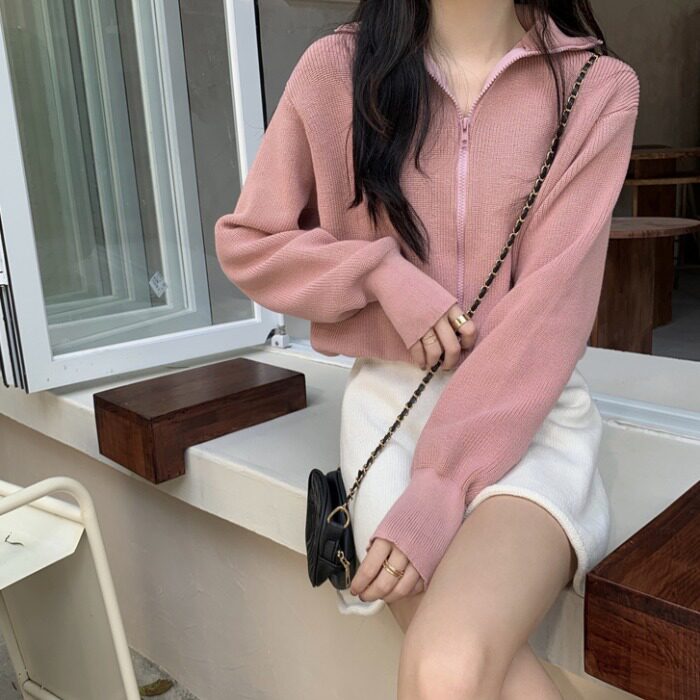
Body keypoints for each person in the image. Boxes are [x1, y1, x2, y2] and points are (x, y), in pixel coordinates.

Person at [214, 0, 640, 697]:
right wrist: (378, 274)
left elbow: (550, 313)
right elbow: (249, 241)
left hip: (528, 414)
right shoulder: (337, 71)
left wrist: (440, 485)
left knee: (446, 664)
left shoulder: (595, 88)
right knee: (455, 672)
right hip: (393, 415)